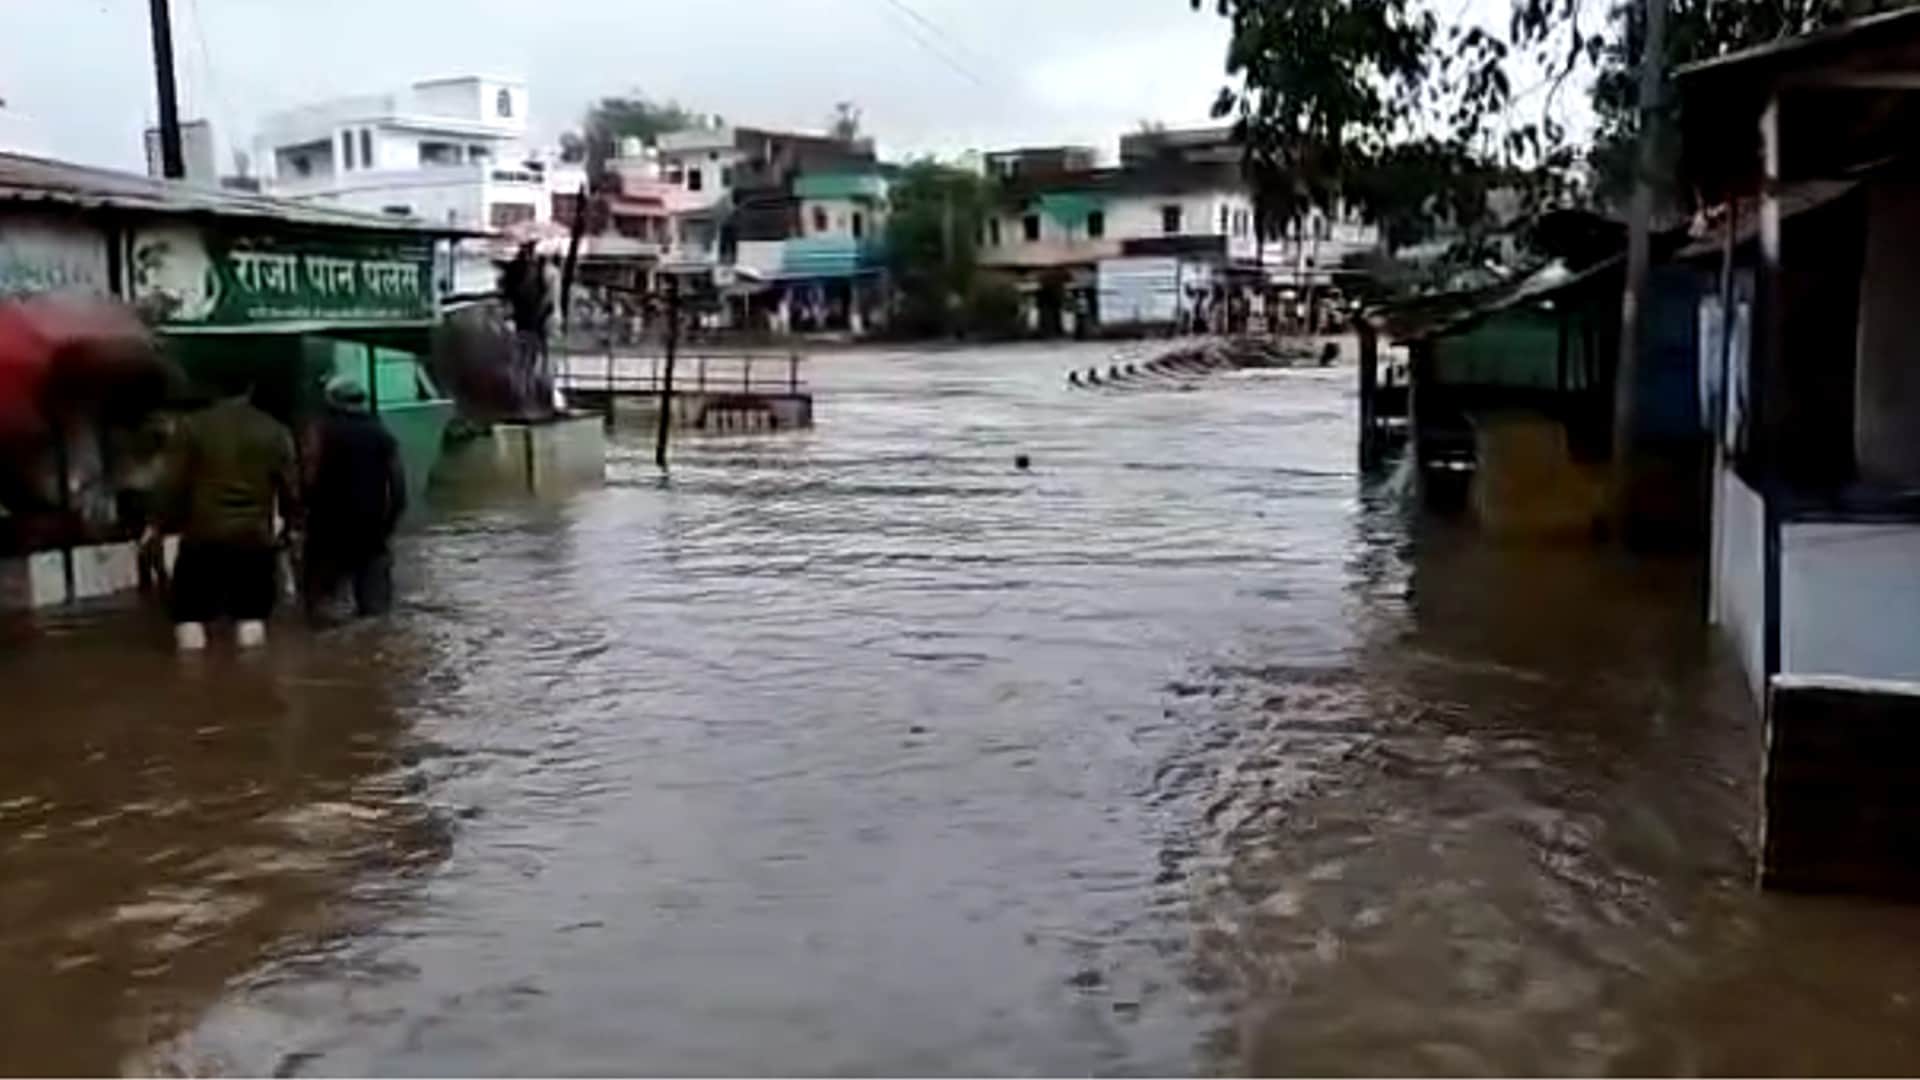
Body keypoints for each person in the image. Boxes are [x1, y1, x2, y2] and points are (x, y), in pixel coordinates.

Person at [155, 371, 299, 651]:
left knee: (190, 616)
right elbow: (291, 488)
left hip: (201, 536)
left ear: (211, 390)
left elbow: (172, 483)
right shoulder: (274, 430)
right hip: (254, 537)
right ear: (249, 388)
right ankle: (251, 683)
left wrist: (160, 523)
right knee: (251, 615)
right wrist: (290, 526)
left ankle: (192, 684)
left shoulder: (191, 427)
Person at [301, 375, 406, 623]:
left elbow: (308, 476)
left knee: (323, 605)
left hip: (328, 526)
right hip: (372, 527)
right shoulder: (381, 433)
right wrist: (388, 522)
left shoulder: (321, 430)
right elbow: (399, 487)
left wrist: (302, 512)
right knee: (376, 613)